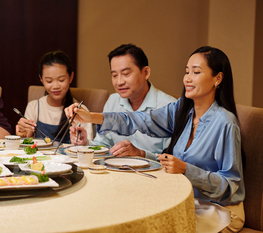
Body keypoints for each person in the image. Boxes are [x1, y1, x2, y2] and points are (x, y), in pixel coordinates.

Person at [65, 46, 245, 232]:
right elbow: (138, 120)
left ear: (218, 78)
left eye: (196, 72)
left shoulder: (225, 122)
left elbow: (230, 185)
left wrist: (186, 169)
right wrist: (91, 117)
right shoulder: (182, 109)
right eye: (186, 71)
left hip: (220, 210)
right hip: (186, 201)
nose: (187, 78)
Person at [69, 44, 176, 160]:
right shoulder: (113, 101)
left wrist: (141, 154)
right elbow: (104, 145)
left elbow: (173, 159)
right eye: (114, 75)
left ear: (146, 72)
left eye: (126, 74)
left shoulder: (168, 106)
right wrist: (86, 143)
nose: (119, 82)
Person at [16, 51, 93, 143]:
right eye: (49, 81)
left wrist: (81, 141)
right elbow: (27, 137)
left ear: (71, 77)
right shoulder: (34, 107)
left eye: (61, 80)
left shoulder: (81, 111)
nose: (55, 86)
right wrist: (23, 131)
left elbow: (88, 146)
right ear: (41, 79)